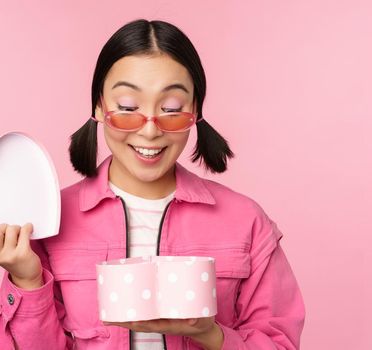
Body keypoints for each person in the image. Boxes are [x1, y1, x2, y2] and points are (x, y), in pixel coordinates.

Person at [0, 19, 305, 349]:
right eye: (128, 108)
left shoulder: (245, 221)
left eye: (171, 109)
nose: (149, 130)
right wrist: (27, 280)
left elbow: (279, 342)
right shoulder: (52, 222)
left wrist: (210, 333)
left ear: (196, 111)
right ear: (100, 107)